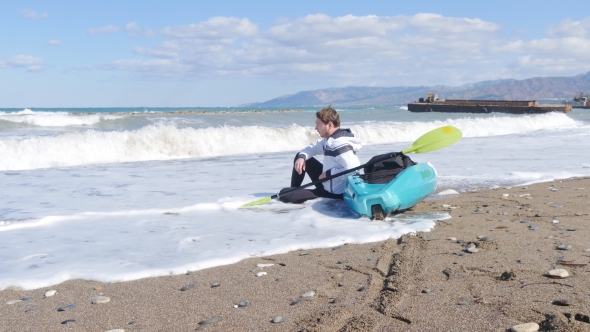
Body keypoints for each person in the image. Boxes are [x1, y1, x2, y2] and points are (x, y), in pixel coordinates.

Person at [279, 106, 362, 204]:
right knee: (301, 156)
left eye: (318, 124)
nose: (315, 128)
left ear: (330, 124)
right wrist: (301, 158)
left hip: (333, 193)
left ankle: (293, 191)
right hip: (327, 182)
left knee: (284, 194)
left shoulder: (339, 144)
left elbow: (353, 170)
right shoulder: (330, 140)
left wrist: (328, 174)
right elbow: (313, 147)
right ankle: (294, 189)